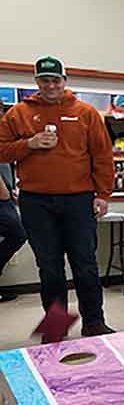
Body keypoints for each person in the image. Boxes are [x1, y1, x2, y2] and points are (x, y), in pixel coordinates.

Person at [0, 56, 115, 336]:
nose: (50, 85)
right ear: (36, 82)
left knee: (85, 264)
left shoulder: (86, 113)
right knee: (49, 267)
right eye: (44, 80)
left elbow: (102, 155)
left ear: (64, 81)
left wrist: (103, 194)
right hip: (36, 201)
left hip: (79, 200)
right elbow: (1, 149)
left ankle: (93, 323)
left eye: (55, 80)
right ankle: (56, 327)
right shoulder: (18, 114)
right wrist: (29, 143)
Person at [0, 102, 27, 303]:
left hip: (7, 193)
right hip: (1, 198)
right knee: (18, 233)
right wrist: (4, 193)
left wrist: (11, 190)